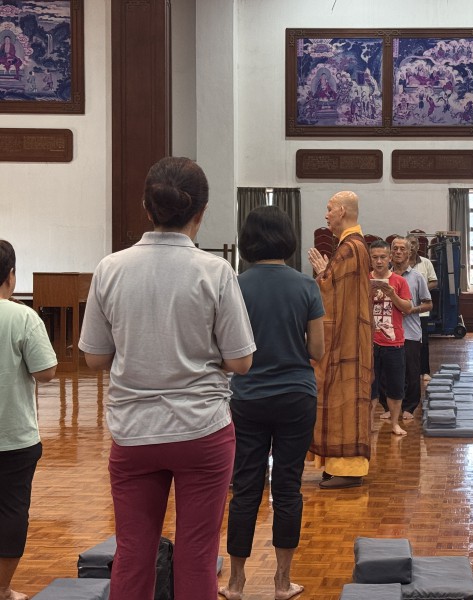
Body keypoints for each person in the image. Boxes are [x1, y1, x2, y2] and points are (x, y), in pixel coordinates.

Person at [79, 156, 256, 600]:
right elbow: (241, 362)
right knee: (197, 555)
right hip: (202, 430)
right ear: (202, 211)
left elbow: (94, 358)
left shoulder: (110, 268)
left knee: (133, 552)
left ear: (147, 206)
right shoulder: (215, 271)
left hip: (133, 431)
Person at [220, 206, 324, 600]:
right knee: (288, 487)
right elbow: (317, 350)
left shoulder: (235, 285)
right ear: (288, 239)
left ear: (247, 241)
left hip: (247, 396)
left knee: (245, 488)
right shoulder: (306, 286)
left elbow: (225, 350)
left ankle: (236, 582)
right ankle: (282, 582)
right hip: (297, 396)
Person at [0, 240, 57, 600]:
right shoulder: (22, 317)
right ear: (10, 276)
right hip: (13, 436)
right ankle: (2, 588)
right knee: (11, 510)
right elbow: (46, 372)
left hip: (15, 438)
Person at [307, 191, 373, 489]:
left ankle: (349, 468)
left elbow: (331, 293)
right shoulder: (351, 246)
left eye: (329, 208)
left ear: (343, 211)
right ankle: (336, 464)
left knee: (345, 399)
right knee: (338, 398)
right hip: (348, 337)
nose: (326, 215)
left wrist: (322, 275)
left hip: (346, 341)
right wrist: (326, 276)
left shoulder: (351, 248)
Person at [368, 240, 412, 436]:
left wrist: (392, 295)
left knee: (395, 386)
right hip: (369, 343)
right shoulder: (363, 280)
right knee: (369, 387)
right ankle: (368, 425)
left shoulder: (399, 281)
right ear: (370, 259)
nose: (379, 261)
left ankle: (395, 424)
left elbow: (408, 308)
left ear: (390, 258)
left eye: (383, 257)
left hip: (394, 343)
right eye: (375, 257)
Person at [391, 236, 432, 420]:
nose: (398, 252)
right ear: (390, 252)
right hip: (388, 333)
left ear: (409, 252)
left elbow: (428, 304)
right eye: (395, 248)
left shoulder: (417, 277)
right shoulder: (385, 276)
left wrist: (411, 310)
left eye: (402, 249)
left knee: (411, 371)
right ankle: (389, 405)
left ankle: (409, 406)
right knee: (388, 372)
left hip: (411, 332)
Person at [408, 235, 437, 380]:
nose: (412, 246)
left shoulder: (426, 262)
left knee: (423, 341)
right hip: (404, 310)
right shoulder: (398, 264)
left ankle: (425, 371)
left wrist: (421, 290)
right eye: (409, 243)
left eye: (414, 243)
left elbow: (434, 282)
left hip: (421, 310)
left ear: (418, 246)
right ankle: (409, 372)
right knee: (407, 342)